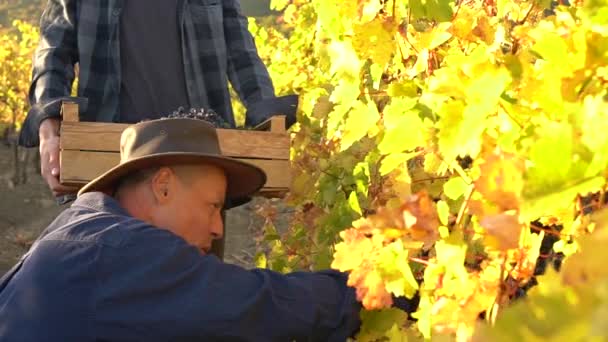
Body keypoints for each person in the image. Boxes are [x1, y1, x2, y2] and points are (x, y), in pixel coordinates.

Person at [0, 117, 362, 341]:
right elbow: (253, 305)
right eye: (213, 206)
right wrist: (368, 289)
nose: (219, 228)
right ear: (163, 186)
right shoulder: (121, 249)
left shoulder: (81, 233)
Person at [18, 0, 297, 257]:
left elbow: (241, 52)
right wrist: (49, 129)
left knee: (199, 290)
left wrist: (269, 118)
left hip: (199, 162)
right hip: (114, 167)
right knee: (118, 288)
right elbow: (52, 52)